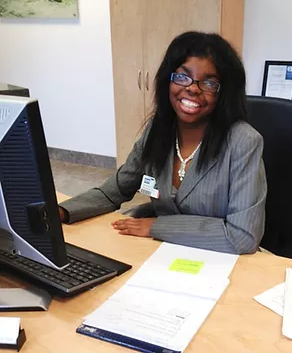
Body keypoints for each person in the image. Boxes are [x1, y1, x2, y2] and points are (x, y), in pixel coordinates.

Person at [59, 31, 267, 255]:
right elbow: (114, 191)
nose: (192, 88)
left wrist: (156, 226)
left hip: (222, 259)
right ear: (167, 80)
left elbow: (242, 237)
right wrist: (60, 212)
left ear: (223, 93)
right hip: (163, 255)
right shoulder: (157, 131)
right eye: (182, 76)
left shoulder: (243, 142)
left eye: (208, 83)